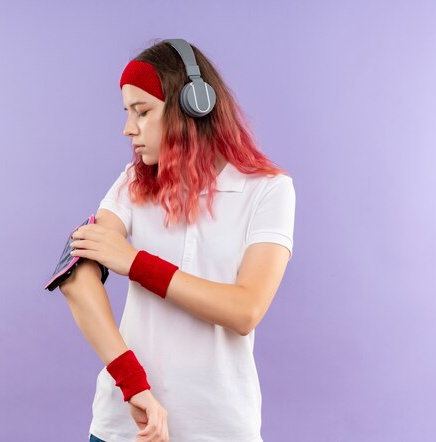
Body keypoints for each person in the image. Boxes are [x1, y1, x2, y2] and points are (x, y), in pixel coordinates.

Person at [59, 38, 296, 442]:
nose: (128, 128)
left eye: (143, 111)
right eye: (127, 112)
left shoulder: (269, 191)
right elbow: (75, 277)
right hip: (124, 427)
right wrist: (132, 383)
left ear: (193, 106)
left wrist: (135, 263)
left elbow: (245, 309)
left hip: (220, 428)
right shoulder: (132, 182)